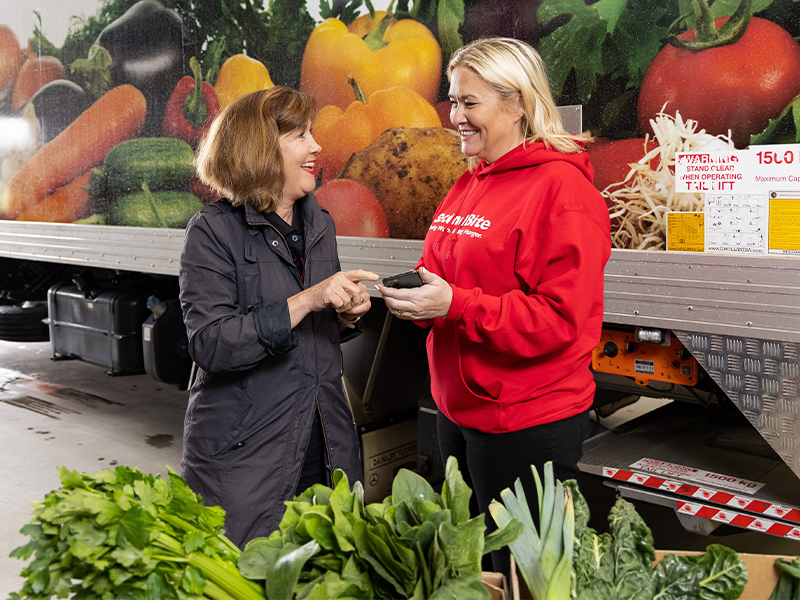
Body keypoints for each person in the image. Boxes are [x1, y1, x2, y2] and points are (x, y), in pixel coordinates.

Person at [376, 37, 611, 574]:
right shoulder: (469, 182)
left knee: (527, 574)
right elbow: (441, 270)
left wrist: (454, 304)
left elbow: (561, 321)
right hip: (460, 413)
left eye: (469, 103)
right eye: (453, 101)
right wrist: (413, 293)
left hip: (525, 420)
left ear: (519, 103)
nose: (455, 116)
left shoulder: (563, 193)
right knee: (480, 566)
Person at [179, 86, 378, 548]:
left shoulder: (319, 223)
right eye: (301, 136)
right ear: (260, 149)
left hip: (325, 441)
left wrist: (346, 314)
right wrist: (308, 299)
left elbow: (314, 327)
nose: (317, 147)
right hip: (249, 453)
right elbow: (211, 343)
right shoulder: (211, 232)